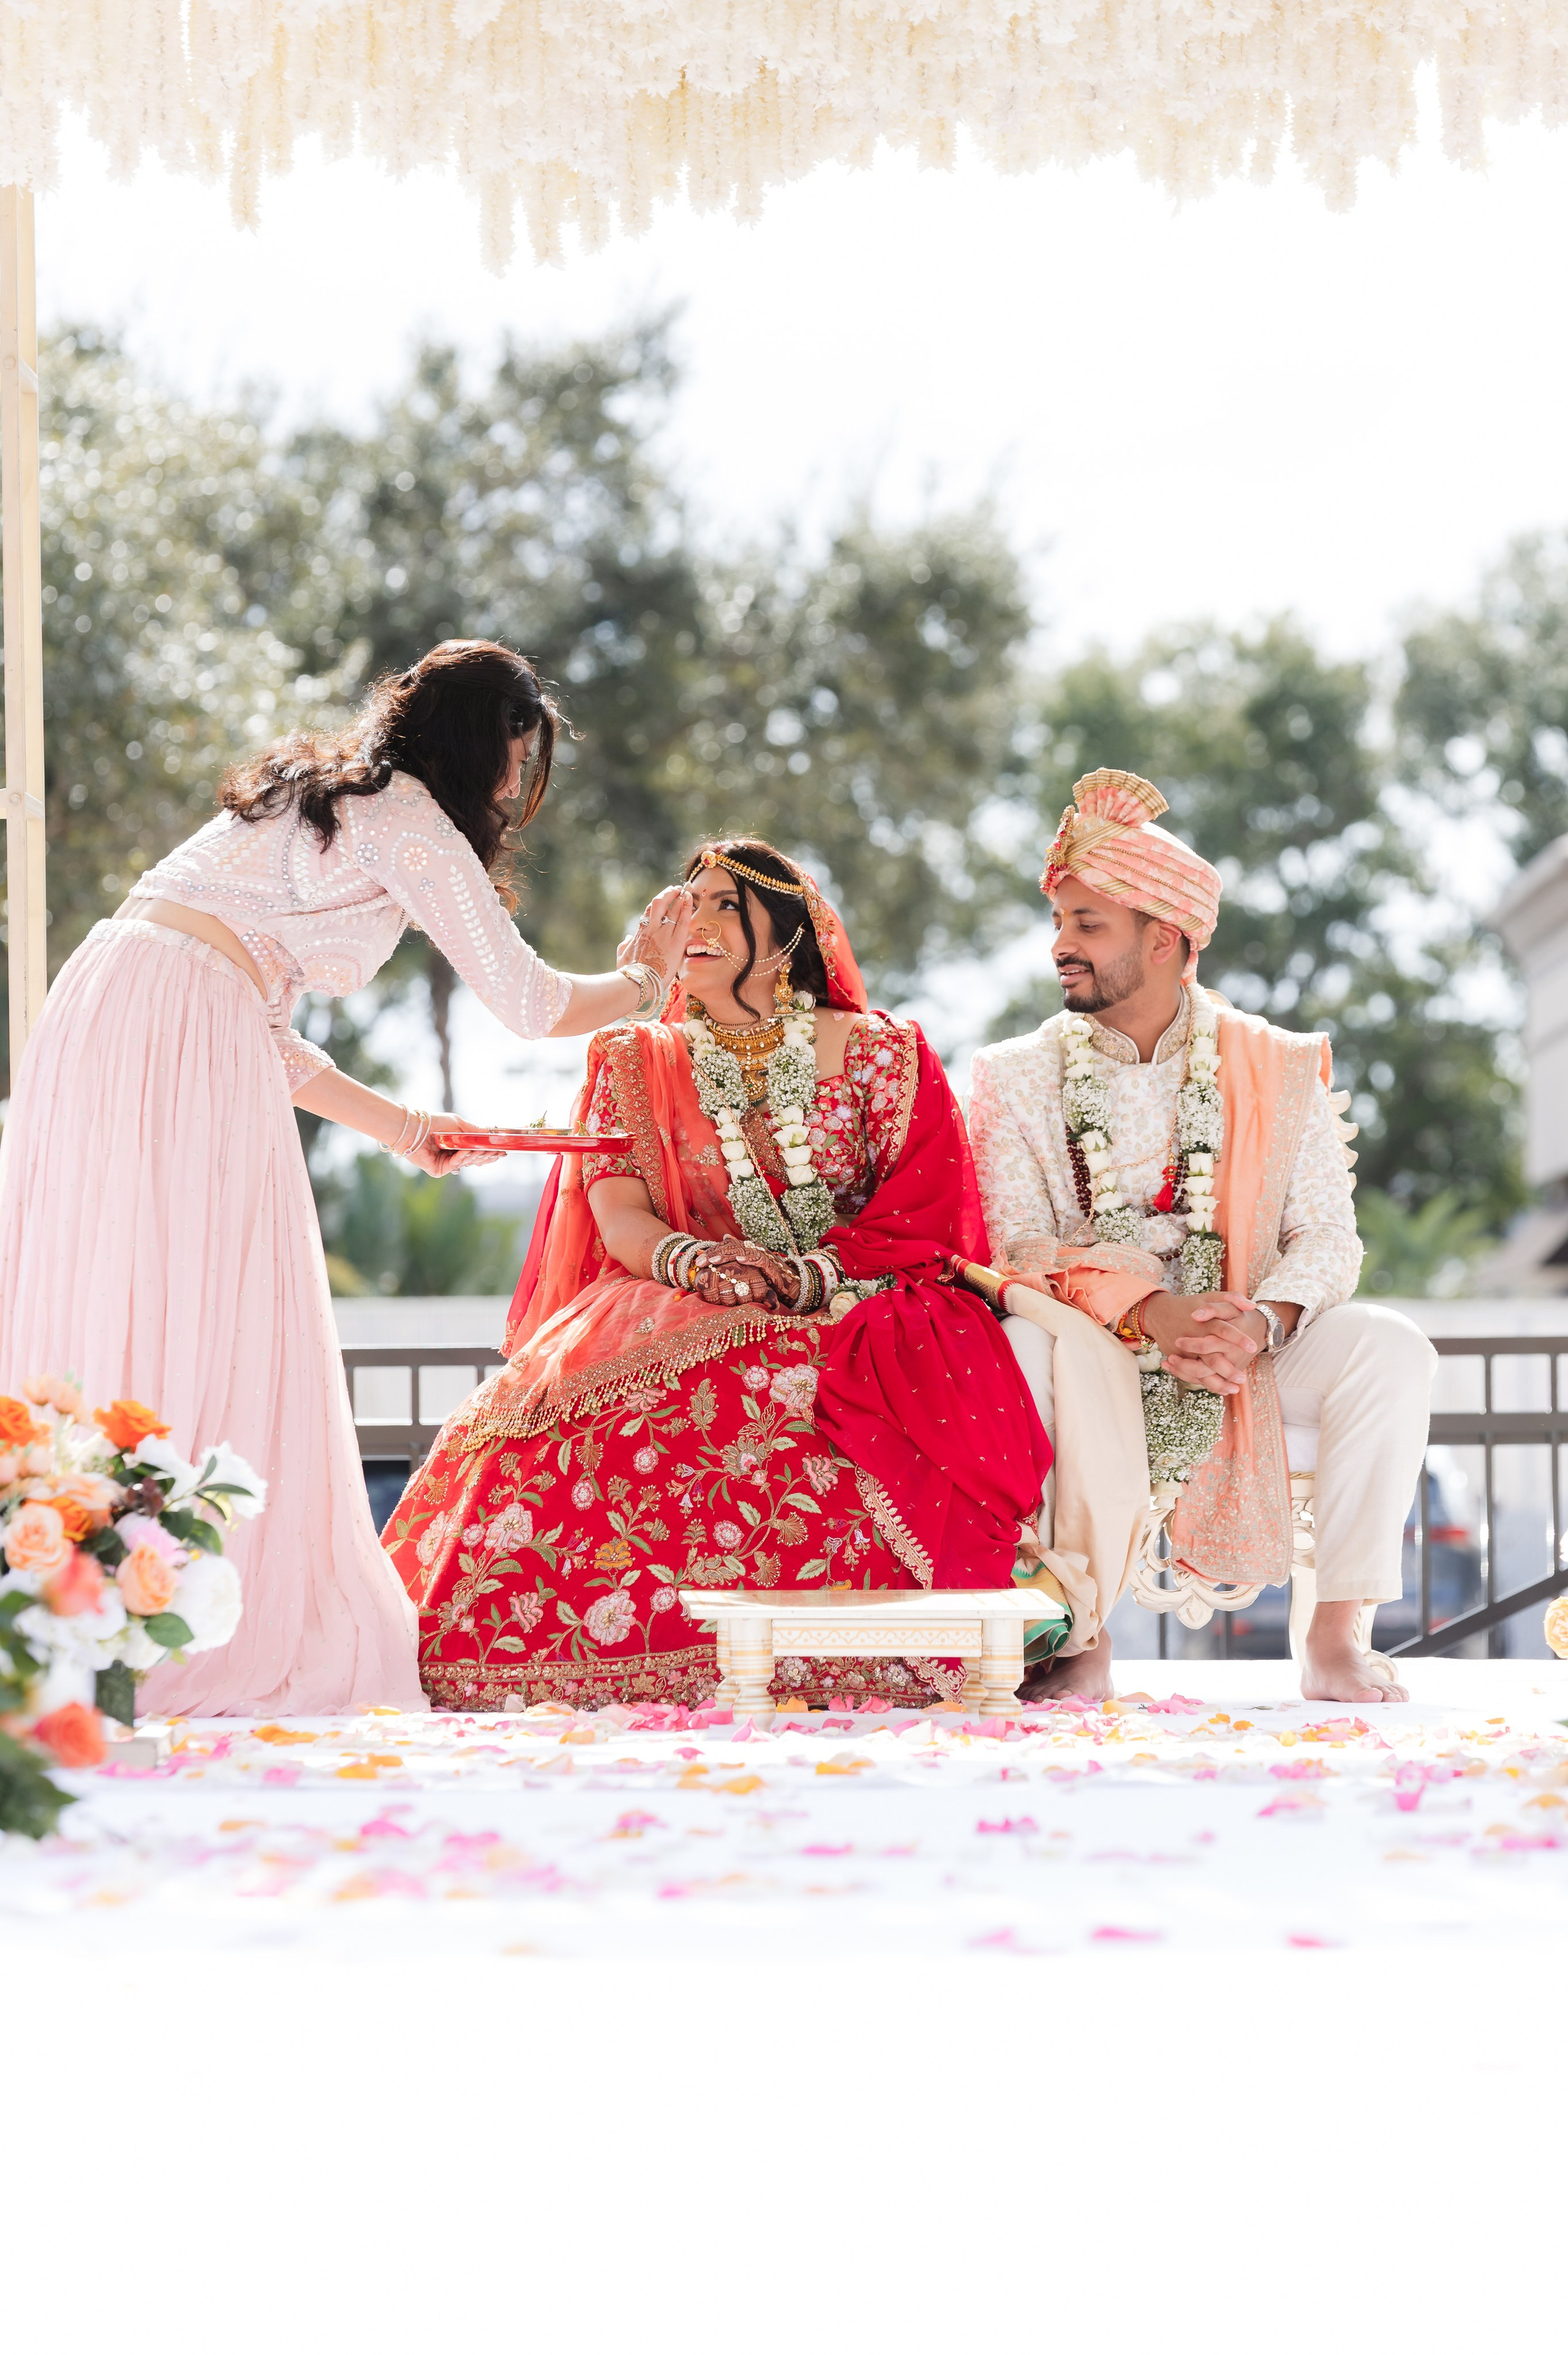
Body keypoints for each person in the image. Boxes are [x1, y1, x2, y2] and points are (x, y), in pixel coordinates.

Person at [0, 639, 695, 1714]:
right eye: (519, 754)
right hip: (175, 1016)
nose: (517, 785)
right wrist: (647, 976)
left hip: (113, 1001)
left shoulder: (329, 800)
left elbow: (260, 1024)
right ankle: (176, 1613)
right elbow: (529, 1004)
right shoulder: (408, 816)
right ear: (484, 743)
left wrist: (406, 1124)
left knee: (132, 1294)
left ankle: (100, 1609)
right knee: (228, 1305)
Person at [385, 837, 1054, 1711]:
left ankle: (889, 1651)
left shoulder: (884, 1053)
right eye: (682, 902)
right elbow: (618, 1212)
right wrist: (700, 1261)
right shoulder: (633, 1055)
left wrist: (805, 1281)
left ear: (787, 934)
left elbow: (922, 1206)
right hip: (676, 1289)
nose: (690, 921)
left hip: (857, 1296)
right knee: (588, 1416)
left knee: (802, 1379)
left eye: (722, 905)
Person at [967, 767, 1437, 1706]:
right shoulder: (1012, 1077)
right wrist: (1153, 1311)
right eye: (1058, 922)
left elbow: (1328, 1240)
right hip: (1090, 1345)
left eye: (1087, 924)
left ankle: (1337, 1634)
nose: (1061, 946)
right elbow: (1018, 1248)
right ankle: (1076, 1633)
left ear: (1167, 938)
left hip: (1245, 1351)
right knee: (1022, 1343)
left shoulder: (1277, 1064)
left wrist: (1254, 1323)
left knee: (1390, 1346)